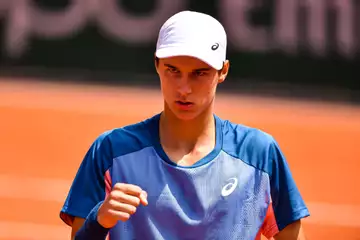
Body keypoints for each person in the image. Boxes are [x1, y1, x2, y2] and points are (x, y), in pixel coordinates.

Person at [60, 10, 310, 240]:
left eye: (199, 73)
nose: (184, 88)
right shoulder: (111, 152)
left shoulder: (259, 155)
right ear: (157, 64)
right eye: (173, 70)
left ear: (223, 71)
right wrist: (99, 221)